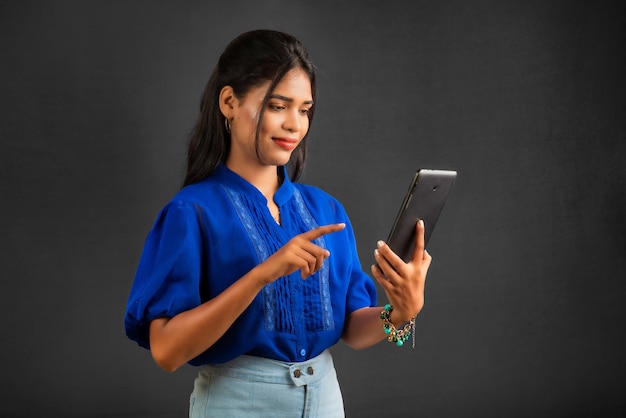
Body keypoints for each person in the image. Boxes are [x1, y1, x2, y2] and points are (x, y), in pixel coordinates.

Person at [124, 29, 432, 418]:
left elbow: (353, 328)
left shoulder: (327, 210)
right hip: (238, 402)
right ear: (229, 102)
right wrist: (262, 274)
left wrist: (399, 314)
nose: (294, 124)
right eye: (277, 106)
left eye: (304, 110)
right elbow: (167, 352)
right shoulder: (191, 212)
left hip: (325, 400)